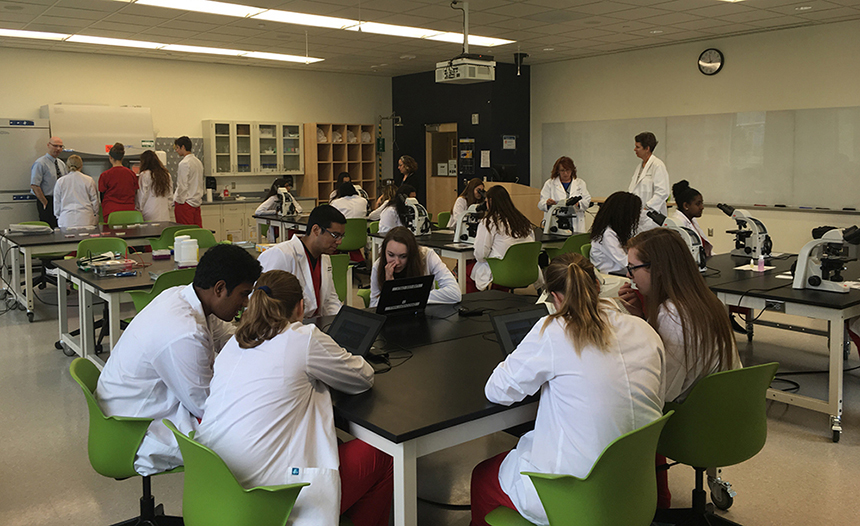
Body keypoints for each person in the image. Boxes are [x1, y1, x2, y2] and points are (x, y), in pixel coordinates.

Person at [470, 252, 665, 526]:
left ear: (554, 297)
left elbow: (498, 391)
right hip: (634, 489)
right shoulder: (644, 330)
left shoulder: (555, 331)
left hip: (575, 495)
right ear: (597, 286)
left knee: (482, 476)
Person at [196, 270, 392, 526]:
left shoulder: (236, 342)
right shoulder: (303, 339)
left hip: (218, 491)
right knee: (384, 454)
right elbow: (362, 377)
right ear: (301, 306)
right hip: (271, 500)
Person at [96, 244, 262, 476]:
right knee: (252, 432)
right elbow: (205, 407)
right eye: (244, 294)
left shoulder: (186, 297)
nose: (245, 303)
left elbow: (229, 338)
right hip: (135, 429)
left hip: (139, 405)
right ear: (220, 288)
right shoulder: (184, 332)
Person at [620, 228, 739, 403]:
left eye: (632, 268)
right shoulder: (705, 300)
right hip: (719, 407)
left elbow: (662, 391)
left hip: (693, 416)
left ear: (658, 269)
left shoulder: (674, 316)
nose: (628, 275)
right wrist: (640, 317)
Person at [257, 204, 345, 319]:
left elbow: (330, 300)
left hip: (312, 326)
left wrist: (342, 322)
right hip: (283, 329)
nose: (339, 242)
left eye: (341, 236)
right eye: (335, 235)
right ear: (316, 230)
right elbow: (259, 303)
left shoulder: (324, 257)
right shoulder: (281, 254)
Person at [369, 226, 461, 307]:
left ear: (411, 254)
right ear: (384, 251)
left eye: (403, 256)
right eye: (391, 255)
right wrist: (389, 287)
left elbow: (454, 293)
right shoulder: (378, 266)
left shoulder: (427, 256)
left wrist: (407, 297)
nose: (397, 262)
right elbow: (373, 307)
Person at [471, 185, 535, 292]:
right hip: (526, 270)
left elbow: (481, 254)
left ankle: (474, 304)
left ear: (490, 201)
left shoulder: (490, 221)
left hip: (505, 271)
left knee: (468, 270)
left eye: (486, 201)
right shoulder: (523, 220)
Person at [589, 191, 641, 274]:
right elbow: (625, 262)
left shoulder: (616, 231)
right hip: (611, 275)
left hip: (620, 272)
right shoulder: (607, 234)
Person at [629, 131, 670, 232]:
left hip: (651, 217)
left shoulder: (657, 165)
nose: (635, 149)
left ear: (647, 148)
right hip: (638, 216)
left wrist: (647, 208)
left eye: (638, 147)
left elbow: (663, 192)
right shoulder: (640, 166)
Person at [538, 156, 591, 233]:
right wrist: (547, 203)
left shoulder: (580, 183)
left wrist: (578, 204)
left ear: (572, 170)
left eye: (568, 170)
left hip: (575, 222)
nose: (565, 173)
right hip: (556, 222)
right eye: (562, 170)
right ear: (557, 171)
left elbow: (587, 200)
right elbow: (540, 204)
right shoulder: (550, 183)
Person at [53, 154, 99, 229]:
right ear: (81, 166)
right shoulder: (89, 180)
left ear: (67, 166)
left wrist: (58, 216)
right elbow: (95, 201)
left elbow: (57, 203)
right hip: (86, 219)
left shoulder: (60, 181)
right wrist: (95, 214)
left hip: (66, 220)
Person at [30, 136, 67, 229]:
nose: (58, 149)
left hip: (60, 201)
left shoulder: (61, 163)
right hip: (47, 200)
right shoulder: (40, 163)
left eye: (60, 146)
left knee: (60, 227)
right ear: (48, 145)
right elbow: (34, 185)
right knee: (48, 228)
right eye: (55, 146)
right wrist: (44, 202)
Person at [671, 179, 713, 258]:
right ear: (686, 206)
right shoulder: (677, 222)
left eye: (702, 203)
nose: (702, 207)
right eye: (698, 204)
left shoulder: (692, 220)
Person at [98, 142, 138, 223]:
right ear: (122, 157)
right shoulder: (131, 174)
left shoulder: (105, 175)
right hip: (129, 213)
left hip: (111, 212)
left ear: (110, 157)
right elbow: (135, 192)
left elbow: (102, 195)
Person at [173, 136, 204, 227]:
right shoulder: (198, 162)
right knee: (197, 232)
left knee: (185, 232)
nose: (176, 151)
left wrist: (178, 200)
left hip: (185, 204)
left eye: (177, 148)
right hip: (196, 202)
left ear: (183, 147)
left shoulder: (184, 163)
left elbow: (182, 185)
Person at [136, 150, 174, 222]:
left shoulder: (144, 175)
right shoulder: (166, 175)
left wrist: (139, 209)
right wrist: (167, 207)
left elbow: (142, 195)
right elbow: (170, 195)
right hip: (164, 213)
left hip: (149, 212)